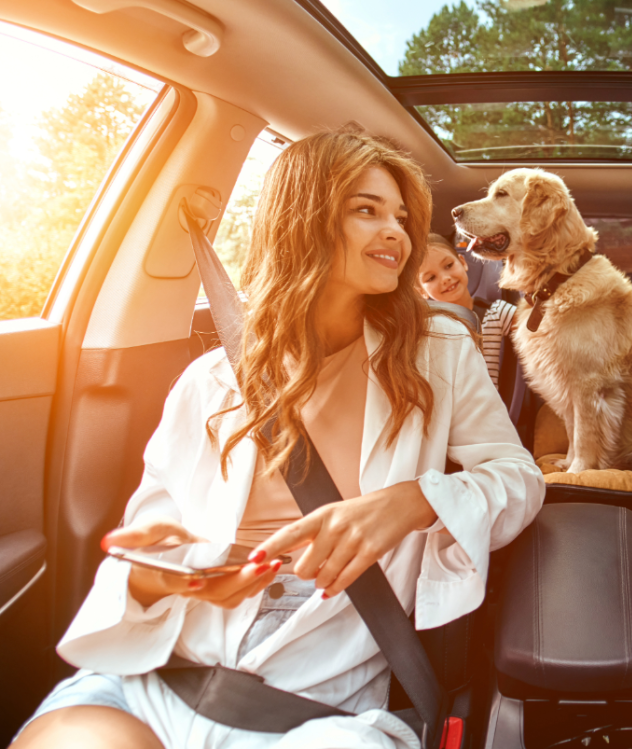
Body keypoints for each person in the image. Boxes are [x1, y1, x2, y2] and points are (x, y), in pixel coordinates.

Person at [13, 131, 544, 749]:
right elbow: (151, 546)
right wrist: (166, 576)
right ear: (302, 219)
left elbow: (519, 478)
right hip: (157, 675)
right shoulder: (210, 379)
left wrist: (414, 501)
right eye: (366, 210)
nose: (397, 232)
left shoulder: (439, 352)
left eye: (401, 216)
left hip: (319, 704)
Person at [416, 234, 516, 389]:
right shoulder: (430, 332)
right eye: (431, 278)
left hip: (490, 409)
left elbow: (537, 326)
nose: (445, 278)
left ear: (463, 262)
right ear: (421, 291)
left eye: (448, 265)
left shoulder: (495, 313)